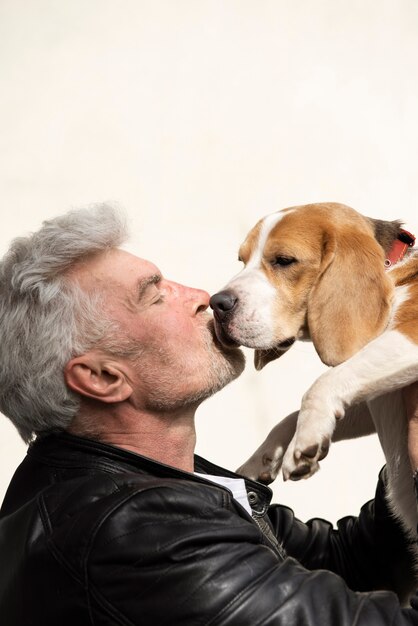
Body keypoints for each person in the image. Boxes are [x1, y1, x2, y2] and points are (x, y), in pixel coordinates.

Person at [0, 204, 417, 626]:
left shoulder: (165, 489)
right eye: (155, 294)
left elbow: (349, 563)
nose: (204, 296)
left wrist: (405, 435)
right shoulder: (137, 533)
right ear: (102, 377)